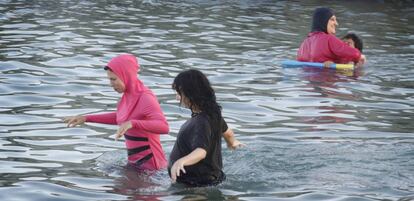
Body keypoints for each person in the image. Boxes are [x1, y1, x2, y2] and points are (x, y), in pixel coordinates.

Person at [64, 54, 169, 170]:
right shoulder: (128, 96)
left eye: (113, 79)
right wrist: (86, 118)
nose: (110, 84)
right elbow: (120, 118)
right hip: (136, 164)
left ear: (126, 76)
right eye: (109, 79)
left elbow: (164, 127)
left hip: (152, 166)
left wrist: (133, 123)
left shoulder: (145, 97)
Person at [168, 69, 243, 187]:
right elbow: (228, 133)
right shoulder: (213, 114)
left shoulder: (201, 122)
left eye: (179, 93)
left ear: (190, 94)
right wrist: (232, 143)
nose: (177, 98)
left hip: (196, 184)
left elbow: (201, 152)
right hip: (209, 178)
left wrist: (180, 161)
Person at [297, 7, 366, 67]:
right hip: (326, 79)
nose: (336, 23)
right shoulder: (329, 39)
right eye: (332, 19)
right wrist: (360, 55)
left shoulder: (303, 44)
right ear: (323, 21)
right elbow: (351, 52)